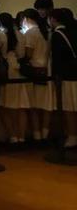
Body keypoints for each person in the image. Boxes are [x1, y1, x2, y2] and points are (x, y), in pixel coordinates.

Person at [0, 13, 29, 145]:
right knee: (20, 106)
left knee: (4, 106)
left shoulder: (0, 35)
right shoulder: (21, 34)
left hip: (5, 69)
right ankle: (22, 137)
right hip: (18, 69)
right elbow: (23, 54)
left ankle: (12, 136)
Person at [22, 8, 53, 142]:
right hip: (48, 70)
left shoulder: (30, 33)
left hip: (34, 71)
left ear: (26, 19)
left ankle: (37, 134)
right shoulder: (48, 31)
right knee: (47, 104)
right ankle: (45, 133)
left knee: (33, 104)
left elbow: (28, 54)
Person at [50, 8, 77, 148]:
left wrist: (56, 77)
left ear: (54, 19)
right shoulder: (74, 31)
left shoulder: (57, 34)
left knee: (69, 108)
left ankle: (72, 136)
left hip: (67, 76)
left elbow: (57, 59)